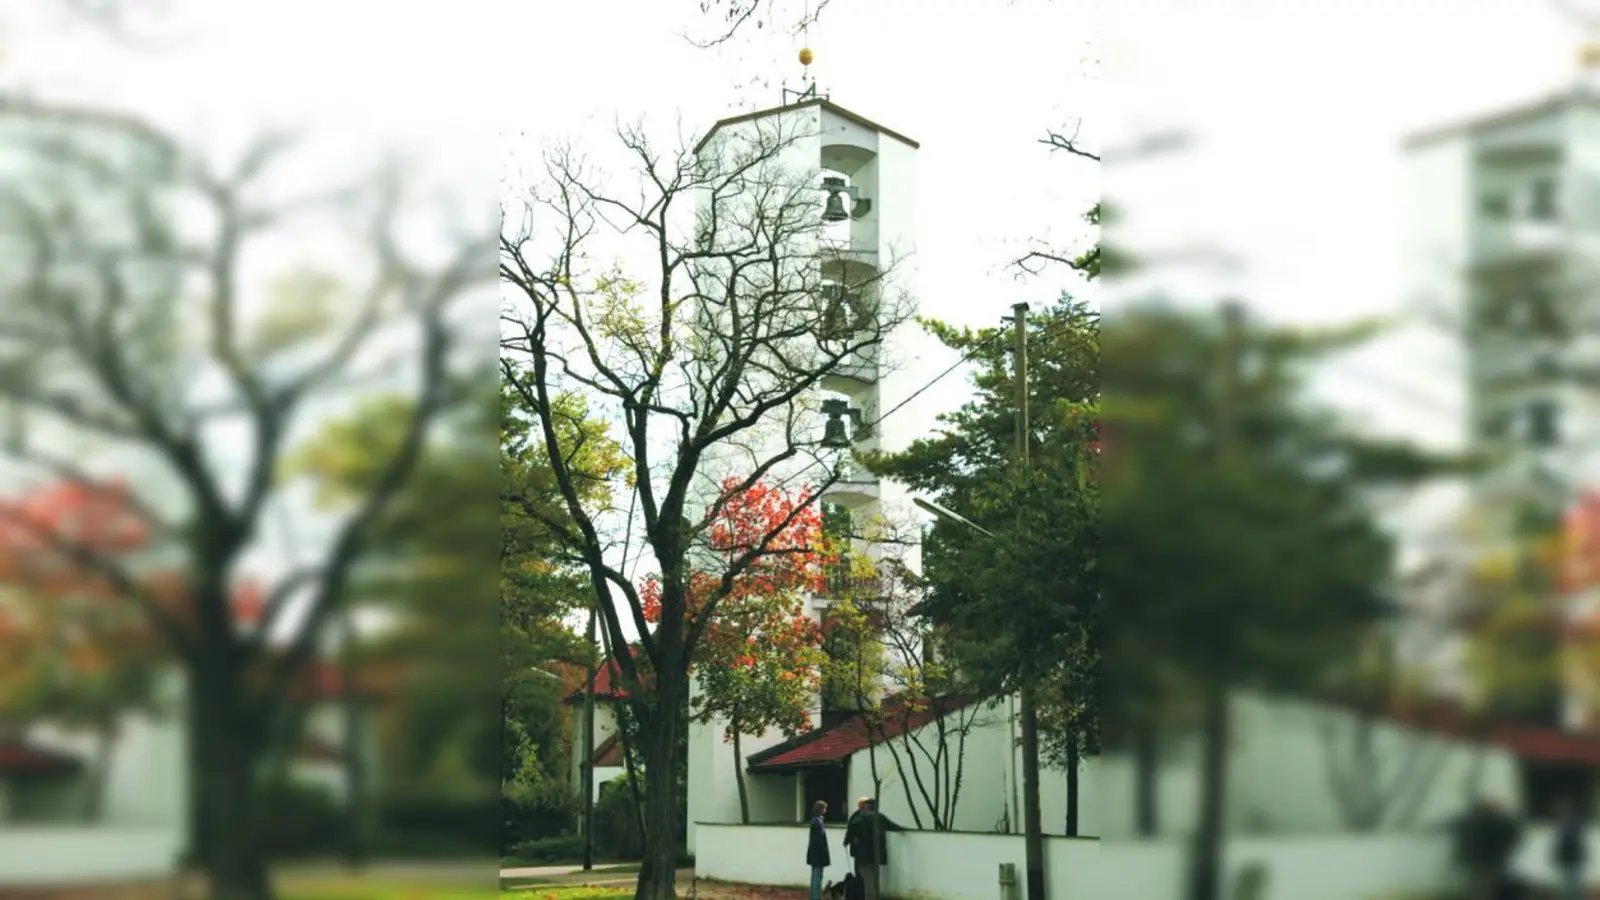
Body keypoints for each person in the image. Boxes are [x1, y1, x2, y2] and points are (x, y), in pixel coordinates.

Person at [844, 798, 905, 900]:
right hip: (876, 854)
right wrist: (904, 829)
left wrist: (846, 841)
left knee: (866, 880)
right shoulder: (880, 817)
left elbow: (851, 831)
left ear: (866, 806)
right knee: (874, 879)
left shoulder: (859, 817)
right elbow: (893, 826)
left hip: (862, 855)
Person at [1554, 796, 1588, 900]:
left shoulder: (1571, 822)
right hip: (1568, 858)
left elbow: (1570, 840)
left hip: (1572, 858)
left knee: (1572, 886)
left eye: (1561, 807)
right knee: (1569, 886)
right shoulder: (1564, 822)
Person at [807, 800, 831, 900]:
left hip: (814, 853)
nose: (825, 810)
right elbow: (820, 840)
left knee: (814, 876)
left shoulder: (815, 820)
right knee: (818, 877)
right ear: (821, 809)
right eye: (824, 808)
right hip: (818, 854)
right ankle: (816, 897)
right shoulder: (818, 822)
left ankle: (814, 897)